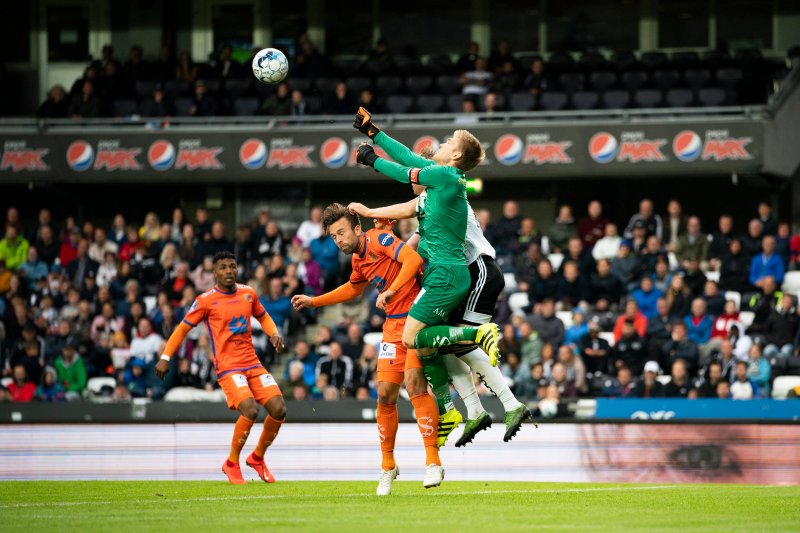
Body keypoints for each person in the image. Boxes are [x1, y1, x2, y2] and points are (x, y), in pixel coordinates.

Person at [350, 107, 500, 462]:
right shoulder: (440, 181)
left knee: (410, 337)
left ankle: (478, 336)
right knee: (426, 343)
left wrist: (372, 160)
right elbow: (408, 160)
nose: (443, 143)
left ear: (457, 155)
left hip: (448, 273)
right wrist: (375, 134)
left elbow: (404, 170)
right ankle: (450, 407)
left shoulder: (447, 177)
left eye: (449, 141)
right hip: (443, 273)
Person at [291, 208, 441, 494]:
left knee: (414, 383)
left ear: (357, 229)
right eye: (334, 236)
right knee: (384, 392)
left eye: (342, 232)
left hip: (417, 317)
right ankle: (387, 466)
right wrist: (315, 302)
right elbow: (352, 288)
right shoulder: (359, 260)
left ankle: (432, 461)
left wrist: (392, 291)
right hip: (392, 327)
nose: (338, 240)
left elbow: (412, 259)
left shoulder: (380, 239)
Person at [155, 252, 286, 485]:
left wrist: (273, 333)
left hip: (253, 364)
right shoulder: (206, 300)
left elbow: (263, 316)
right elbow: (182, 329)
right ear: (214, 273)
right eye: (223, 268)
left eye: (232, 267)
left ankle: (257, 458)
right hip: (228, 368)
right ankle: (232, 463)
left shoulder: (248, 293)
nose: (229, 272)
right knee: (250, 410)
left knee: (279, 409)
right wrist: (166, 356)